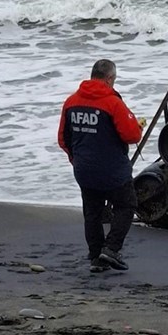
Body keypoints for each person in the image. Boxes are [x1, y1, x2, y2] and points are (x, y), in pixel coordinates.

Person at [58, 59, 143, 273]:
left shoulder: (71, 102)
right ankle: (111, 249)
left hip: (84, 170)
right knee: (126, 205)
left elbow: (63, 138)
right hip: (113, 170)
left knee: (92, 213)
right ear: (109, 79)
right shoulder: (112, 103)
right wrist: (138, 125)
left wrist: (75, 159)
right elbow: (131, 135)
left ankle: (96, 257)